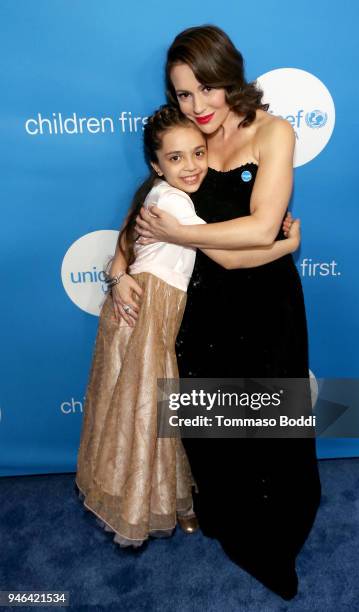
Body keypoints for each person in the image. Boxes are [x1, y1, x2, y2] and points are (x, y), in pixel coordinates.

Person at [76, 104, 302, 550]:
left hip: (152, 316)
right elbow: (233, 256)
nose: (192, 166)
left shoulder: (164, 194)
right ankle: (142, 507)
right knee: (146, 417)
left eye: (198, 153)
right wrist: (288, 244)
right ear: (156, 165)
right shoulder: (176, 205)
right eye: (176, 158)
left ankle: (177, 502)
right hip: (147, 319)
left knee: (155, 415)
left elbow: (129, 233)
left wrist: (120, 274)